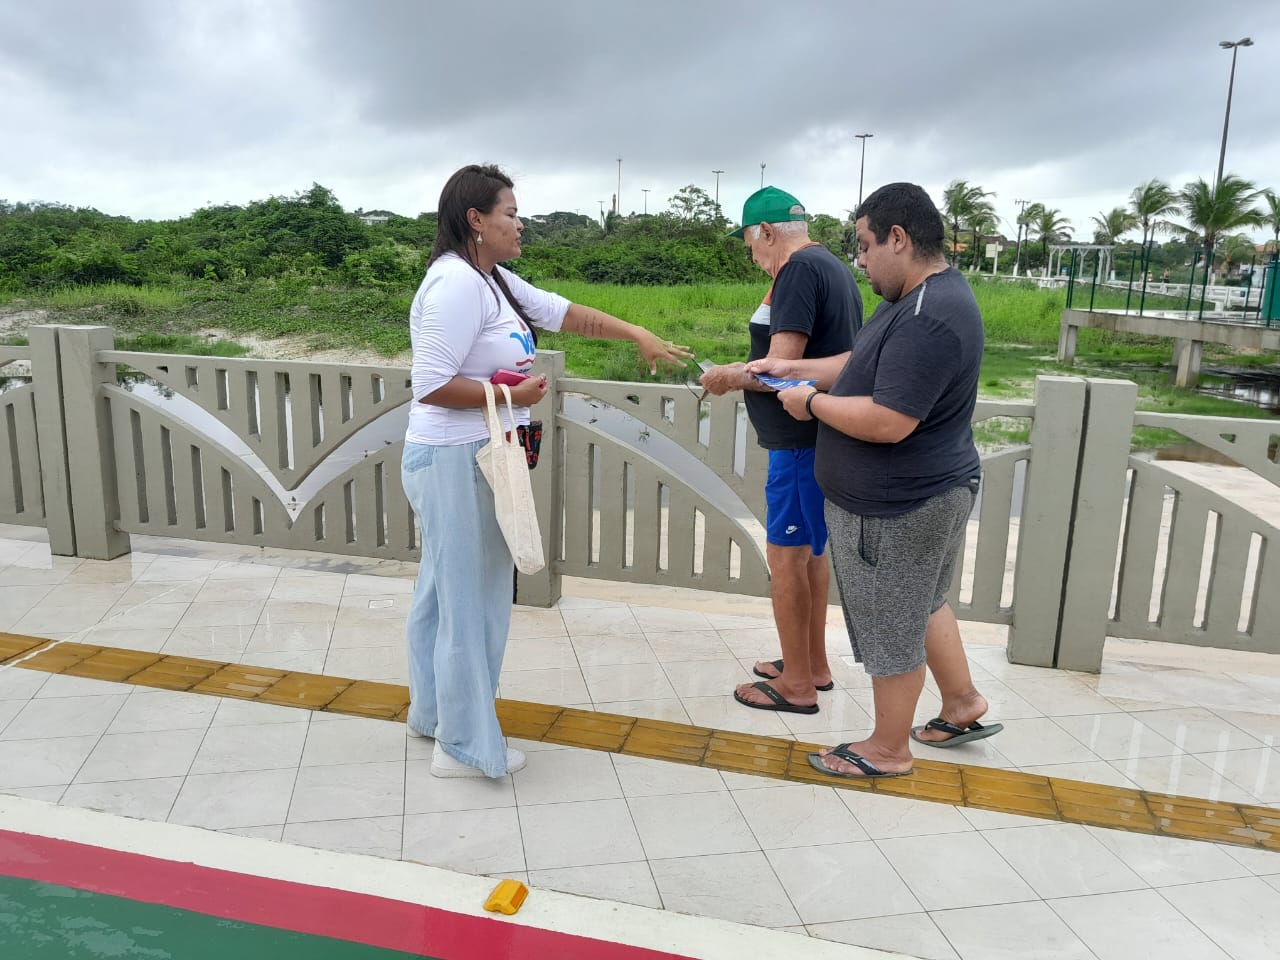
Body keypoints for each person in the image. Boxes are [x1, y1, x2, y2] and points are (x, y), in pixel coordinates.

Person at [403, 164, 691, 778]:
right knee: (473, 602)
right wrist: (512, 396)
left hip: (464, 457)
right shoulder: (456, 283)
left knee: (442, 594)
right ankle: (462, 746)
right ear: (476, 220)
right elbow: (429, 384)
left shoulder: (493, 280)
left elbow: (568, 314)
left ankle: (433, 714)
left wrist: (636, 332)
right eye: (510, 213)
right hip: (456, 460)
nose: (520, 224)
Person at [748, 182, 1002, 778]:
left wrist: (810, 403)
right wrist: (792, 366)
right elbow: (858, 364)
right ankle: (962, 702)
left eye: (864, 246)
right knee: (922, 601)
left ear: (898, 237)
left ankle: (888, 749)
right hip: (933, 487)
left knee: (892, 622)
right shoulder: (916, 298)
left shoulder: (927, 316)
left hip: (900, 503)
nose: (859, 261)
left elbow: (890, 421)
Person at [699, 186, 862, 715]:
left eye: (750, 243)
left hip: (798, 443)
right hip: (823, 437)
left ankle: (796, 687)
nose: (752, 256)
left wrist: (727, 376)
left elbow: (781, 368)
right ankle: (811, 664)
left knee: (786, 557)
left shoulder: (796, 272)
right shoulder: (833, 267)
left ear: (766, 232)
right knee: (811, 553)